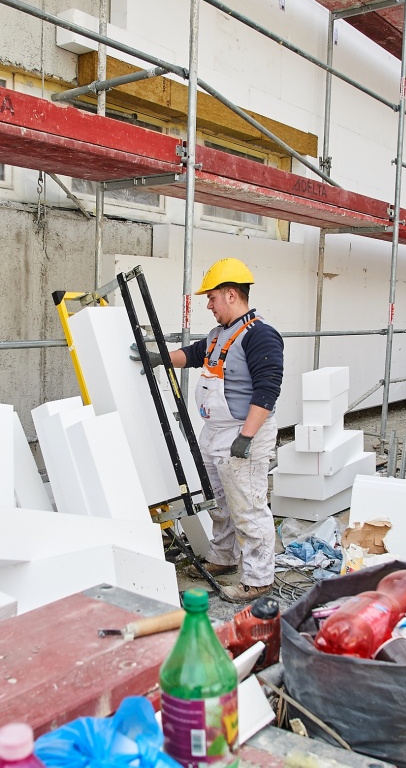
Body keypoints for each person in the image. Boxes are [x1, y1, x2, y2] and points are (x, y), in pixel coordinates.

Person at [133, 258, 284, 603]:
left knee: (247, 505)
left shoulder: (261, 335)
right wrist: (157, 356)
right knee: (219, 501)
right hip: (215, 431)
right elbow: (195, 354)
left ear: (231, 295)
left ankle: (258, 579)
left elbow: (268, 388)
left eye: (212, 297)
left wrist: (246, 437)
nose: (208, 304)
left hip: (243, 432)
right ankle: (223, 556)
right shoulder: (219, 335)